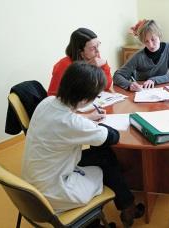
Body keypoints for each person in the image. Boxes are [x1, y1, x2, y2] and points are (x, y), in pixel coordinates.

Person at [22, 61, 144, 227]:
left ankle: (127, 206)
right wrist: (88, 123)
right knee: (105, 160)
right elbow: (113, 137)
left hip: (33, 182)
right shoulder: (71, 123)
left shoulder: (47, 102)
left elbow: (66, 123)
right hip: (54, 191)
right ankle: (109, 214)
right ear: (86, 98)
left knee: (102, 154)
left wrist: (87, 119)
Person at [113, 19, 169, 91]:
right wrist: (129, 85)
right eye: (146, 41)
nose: (150, 45)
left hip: (161, 90)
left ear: (159, 35)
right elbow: (117, 76)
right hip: (142, 92)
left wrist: (154, 80)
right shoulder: (138, 56)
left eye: (153, 39)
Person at [47, 28, 113, 96]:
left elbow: (106, 85)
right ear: (80, 51)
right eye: (92, 48)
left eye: (98, 45)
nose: (98, 51)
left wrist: (104, 65)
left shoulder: (95, 58)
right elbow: (52, 94)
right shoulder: (64, 65)